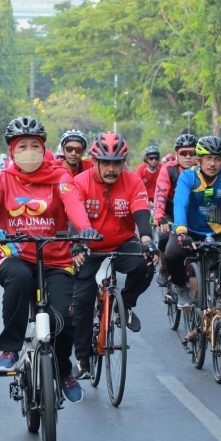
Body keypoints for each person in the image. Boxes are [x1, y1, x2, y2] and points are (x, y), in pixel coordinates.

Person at [0, 116, 98, 403]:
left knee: (65, 320)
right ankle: (10, 349)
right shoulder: (0, 179)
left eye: (35, 145)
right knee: (18, 280)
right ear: (11, 152)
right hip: (13, 253)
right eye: (22, 146)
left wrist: (84, 229)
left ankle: (65, 370)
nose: (29, 151)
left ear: (43, 148)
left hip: (55, 257)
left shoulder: (60, 177)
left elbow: (73, 204)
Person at [71, 132, 158, 379]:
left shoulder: (133, 182)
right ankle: (83, 360)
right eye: (105, 163)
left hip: (122, 241)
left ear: (124, 163)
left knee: (146, 262)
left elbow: (142, 214)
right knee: (82, 301)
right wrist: (77, 243)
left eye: (116, 163)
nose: (111, 169)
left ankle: (126, 305)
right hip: (89, 246)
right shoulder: (80, 181)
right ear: (94, 161)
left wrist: (147, 242)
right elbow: (73, 216)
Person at [163, 136, 221, 323]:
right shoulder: (188, 177)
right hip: (188, 230)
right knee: (172, 254)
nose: (212, 164)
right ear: (199, 160)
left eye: (217, 159)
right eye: (207, 158)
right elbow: (180, 203)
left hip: (218, 231)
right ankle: (181, 287)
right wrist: (181, 230)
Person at [154, 133, 198, 286]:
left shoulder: (203, 169)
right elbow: (160, 194)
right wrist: (159, 216)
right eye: (183, 153)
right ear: (176, 154)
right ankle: (165, 267)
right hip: (170, 212)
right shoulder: (168, 169)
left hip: (195, 214)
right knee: (165, 235)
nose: (188, 157)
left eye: (192, 153)